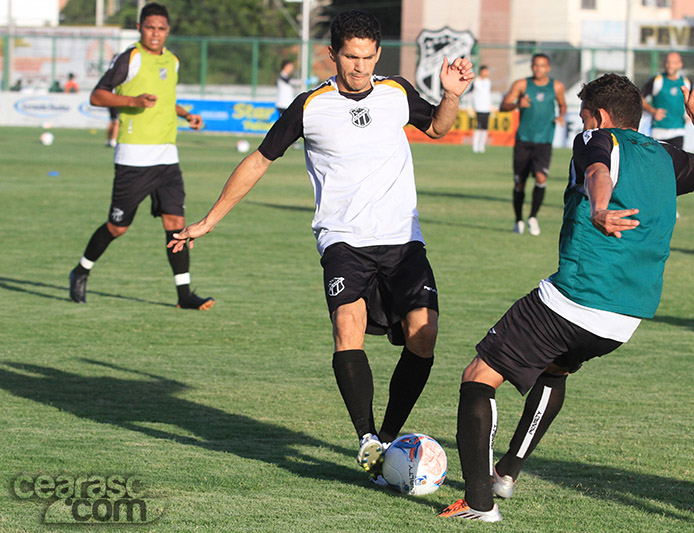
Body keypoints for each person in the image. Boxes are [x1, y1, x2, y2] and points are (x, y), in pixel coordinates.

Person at [168, 10, 474, 480]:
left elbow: (437, 128)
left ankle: (387, 438)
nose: (360, 67)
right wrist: (210, 219)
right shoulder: (309, 106)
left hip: (402, 240)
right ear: (333, 54)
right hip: (343, 241)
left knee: (424, 335)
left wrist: (451, 96)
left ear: (378, 54)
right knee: (347, 326)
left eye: (368, 57)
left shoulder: (396, 92)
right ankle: (367, 438)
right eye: (351, 57)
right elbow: (259, 160)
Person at [439, 71, 694, 522]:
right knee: (554, 369)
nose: (580, 123)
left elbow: (596, 171)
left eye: (583, 115)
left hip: (574, 299)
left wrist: (599, 208)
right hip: (623, 320)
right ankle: (506, 473)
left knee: (478, 376)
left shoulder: (597, 139)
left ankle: (478, 503)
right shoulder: (664, 156)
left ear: (601, 116)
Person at [68, 3, 213, 310]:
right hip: (133, 158)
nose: (155, 34)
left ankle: (184, 295)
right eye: (150, 27)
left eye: (161, 28)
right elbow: (97, 95)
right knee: (117, 227)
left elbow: (165, 102)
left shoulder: (172, 61)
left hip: (167, 157)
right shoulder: (130, 58)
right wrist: (133, 100)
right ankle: (81, 270)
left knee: (176, 223)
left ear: (168, 31)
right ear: (139, 28)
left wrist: (186, 115)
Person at [500, 53, 566, 236]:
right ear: (531, 66)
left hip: (544, 142)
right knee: (519, 183)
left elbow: (562, 104)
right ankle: (518, 220)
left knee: (541, 178)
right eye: (536, 65)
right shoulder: (521, 85)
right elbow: (503, 105)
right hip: (523, 141)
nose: (538, 69)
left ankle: (533, 217)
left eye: (542, 66)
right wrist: (517, 105)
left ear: (548, 68)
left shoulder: (556, 86)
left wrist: (561, 115)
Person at [641, 52, 692, 149]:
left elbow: (692, 100)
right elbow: (640, 98)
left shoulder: (686, 82)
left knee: (676, 158)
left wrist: (691, 114)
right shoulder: (658, 80)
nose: (670, 66)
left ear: (680, 64)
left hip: (678, 131)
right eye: (668, 62)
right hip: (658, 131)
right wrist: (653, 111)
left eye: (673, 63)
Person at [471, 65, 492, 153]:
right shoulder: (476, 81)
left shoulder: (488, 82)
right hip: (479, 107)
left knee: (485, 127)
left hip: (486, 108)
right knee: (478, 127)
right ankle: (475, 146)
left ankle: (482, 145)